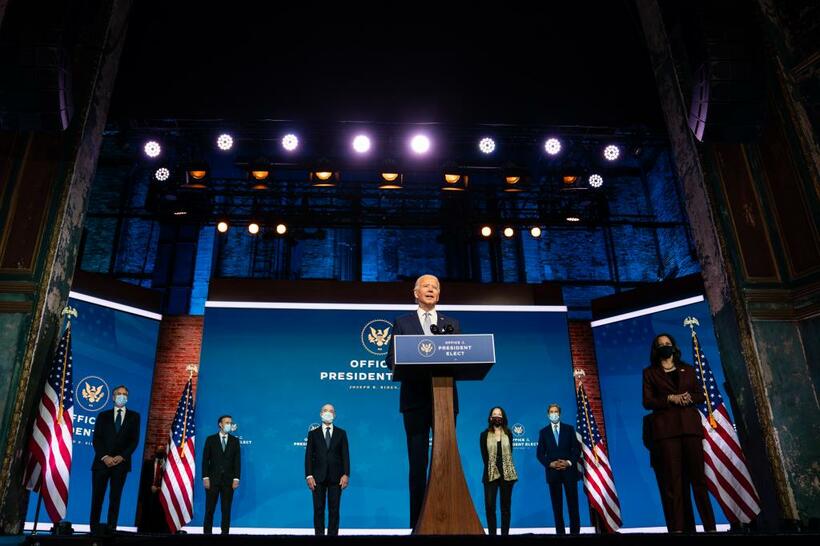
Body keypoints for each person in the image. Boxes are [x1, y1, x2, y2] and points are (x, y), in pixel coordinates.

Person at [385, 273, 461, 529]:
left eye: (435, 287)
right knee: (418, 465)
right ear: (415, 293)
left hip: (446, 402)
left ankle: (449, 519)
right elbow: (390, 359)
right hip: (415, 402)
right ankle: (418, 525)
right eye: (426, 286)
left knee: (446, 461)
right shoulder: (402, 323)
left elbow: (463, 357)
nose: (431, 290)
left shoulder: (452, 324)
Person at [643, 333, 716, 533]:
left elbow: (702, 395)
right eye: (661, 345)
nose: (665, 347)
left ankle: (710, 527)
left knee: (698, 480)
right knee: (674, 483)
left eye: (668, 343)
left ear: (674, 347)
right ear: (656, 350)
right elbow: (647, 401)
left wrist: (687, 397)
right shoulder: (649, 373)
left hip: (691, 429)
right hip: (667, 433)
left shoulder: (689, 370)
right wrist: (670, 399)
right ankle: (678, 529)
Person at [90, 385, 140, 535]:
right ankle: (94, 529)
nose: (122, 396)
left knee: (115, 498)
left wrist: (122, 456)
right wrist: (105, 457)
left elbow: (134, 440)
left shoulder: (134, 416)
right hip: (101, 464)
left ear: (127, 398)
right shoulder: (103, 416)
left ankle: (111, 529)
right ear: (113, 397)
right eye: (119, 394)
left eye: (125, 394)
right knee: (97, 497)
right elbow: (97, 439)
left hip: (121, 465)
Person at [642, 414, 695, 532]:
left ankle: (690, 529)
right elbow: (647, 440)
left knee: (685, 495)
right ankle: (674, 529)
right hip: (661, 463)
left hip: (682, 463)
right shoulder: (649, 419)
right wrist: (667, 453)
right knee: (667, 497)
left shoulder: (679, 415)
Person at [304, 404, 350, 535]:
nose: (328, 413)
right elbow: (308, 456)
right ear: (320, 414)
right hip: (318, 477)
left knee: (334, 510)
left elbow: (345, 455)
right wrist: (309, 475)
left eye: (331, 411)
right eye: (325, 410)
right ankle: (319, 536)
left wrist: (346, 474)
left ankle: (332, 536)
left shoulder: (342, 433)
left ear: (334, 415)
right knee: (318, 509)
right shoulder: (313, 434)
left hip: (337, 478)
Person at [536, 403, 581, 535]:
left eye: (556, 411)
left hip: (569, 473)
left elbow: (576, 450)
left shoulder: (569, 429)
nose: (554, 414)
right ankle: (560, 534)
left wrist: (568, 462)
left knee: (573, 506)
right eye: (551, 411)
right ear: (548, 414)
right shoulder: (543, 432)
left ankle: (575, 534)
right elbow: (539, 454)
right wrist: (550, 464)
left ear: (560, 414)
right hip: (553, 473)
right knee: (557, 507)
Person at [480, 407, 518, 535]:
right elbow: (484, 456)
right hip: (490, 473)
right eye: (494, 414)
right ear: (490, 418)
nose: (497, 417)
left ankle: (505, 535)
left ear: (503, 417)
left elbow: (510, 452)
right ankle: (492, 535)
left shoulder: (509, 434)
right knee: (490, 506)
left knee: (505, 507)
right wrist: (493, 467)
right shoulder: (484, 435)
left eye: (499, 414)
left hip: (507, 473)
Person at [202, 415, 241, 535]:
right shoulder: (210, 439)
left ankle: (225, 534)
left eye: (230, 422)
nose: (230, 424)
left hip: (228, 481)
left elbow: (237, 461)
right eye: (227, 422)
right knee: (209, 509)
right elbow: (205, 460)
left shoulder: (235, 441)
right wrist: (205, 477)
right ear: (220, 424)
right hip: (212, 480)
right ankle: (207, 533)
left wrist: (236, 478)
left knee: (226, 509)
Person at [137, 444, 169, 533]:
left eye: (162, 450)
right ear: (155, 451)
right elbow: (143, 479)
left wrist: (160, 488)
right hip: (149, 492)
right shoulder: (148, 463)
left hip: (162, 493)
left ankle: (159, 531)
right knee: (146, 513)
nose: (160, 452)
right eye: (159, 450)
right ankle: (145, 531)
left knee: (159, 514)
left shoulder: (167, 465)